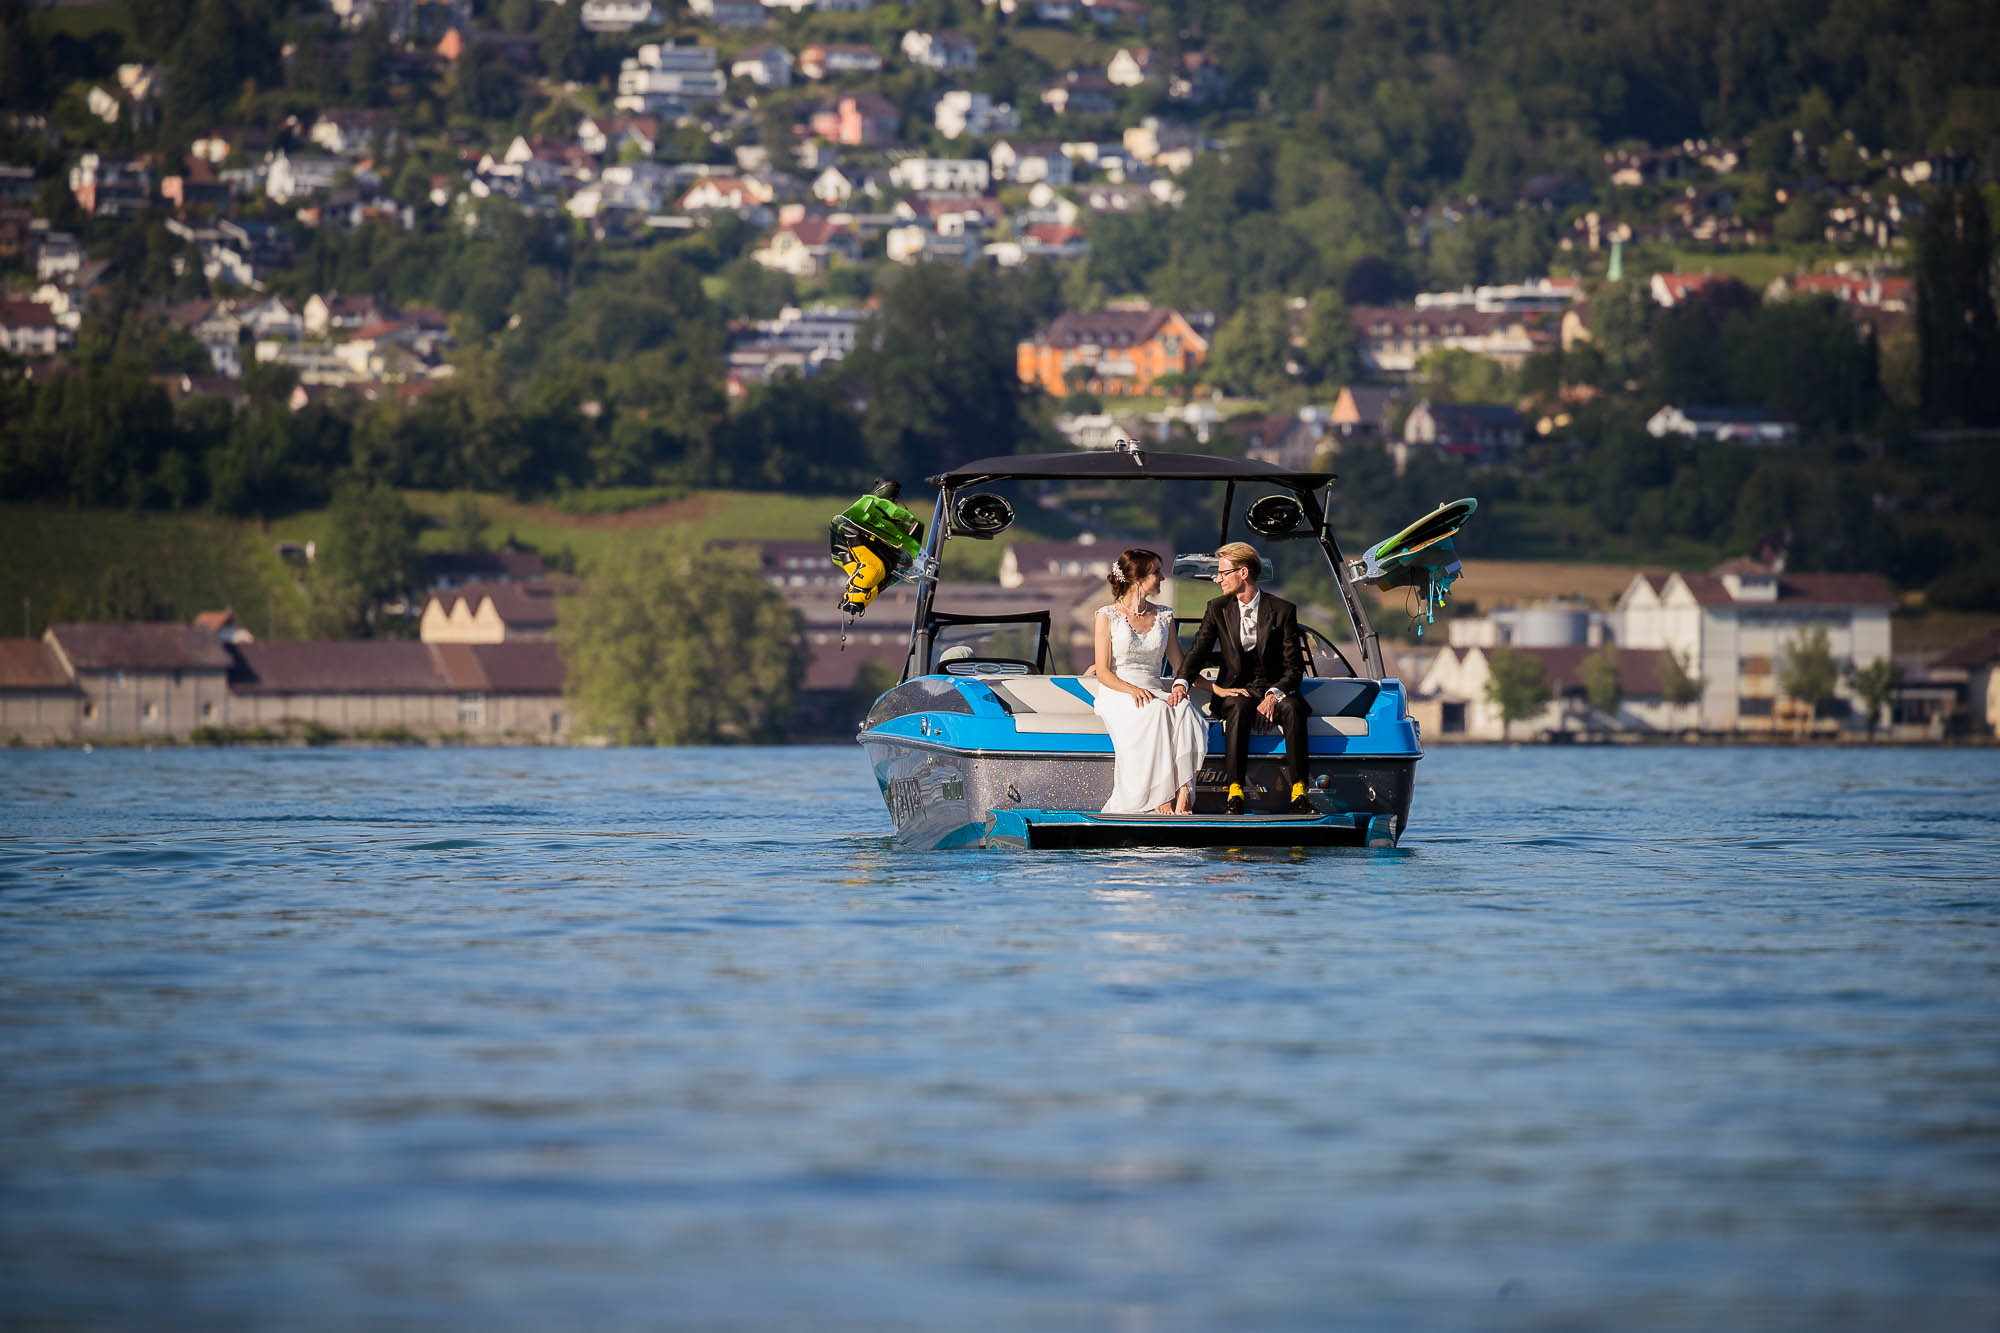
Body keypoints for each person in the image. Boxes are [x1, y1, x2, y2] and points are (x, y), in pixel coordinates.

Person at [1168, 542, 1314, 815]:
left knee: (1293, 708)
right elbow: (1198, 651)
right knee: (1238, 705)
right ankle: (1234, 791)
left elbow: (1294, 668)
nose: (1217, 579)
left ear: (1243, 573)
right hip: (1235, 691)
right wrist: (1181, 683)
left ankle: (1299, 792)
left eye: (1223, 573)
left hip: (1273, 689)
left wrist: (1273, 695)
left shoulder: (1282, 610)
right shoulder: (1217, 608)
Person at [1091, 548, 1208, 815]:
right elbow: (1103, 673)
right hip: (1118, 692)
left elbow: (1181, 667)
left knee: (1185, 709)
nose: (1163, 578)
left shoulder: (1165, 615)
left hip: (1154, 689)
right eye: (1157, 572)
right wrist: (1133, 690)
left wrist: (1218, 688)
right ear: (1138, 579)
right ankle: (1160, 796)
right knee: (1156, 710)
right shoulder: (1106, 615)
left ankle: (1183, 792)